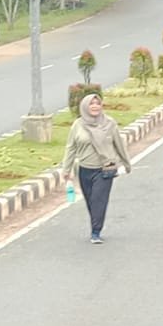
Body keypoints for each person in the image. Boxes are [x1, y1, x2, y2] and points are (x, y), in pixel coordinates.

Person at [60, 93, 131, 244]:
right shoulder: (78, 125)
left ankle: (95, 232)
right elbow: (70, 148)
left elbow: (119, 144)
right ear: (85, 106)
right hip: (85, 169)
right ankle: (96, 223)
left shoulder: (109, 123)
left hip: (106, 168)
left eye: (97, 103)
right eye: (91, 104)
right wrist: (66, 169)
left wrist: (126, 163)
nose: (95, 106)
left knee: (99, 200)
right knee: (91, 201)